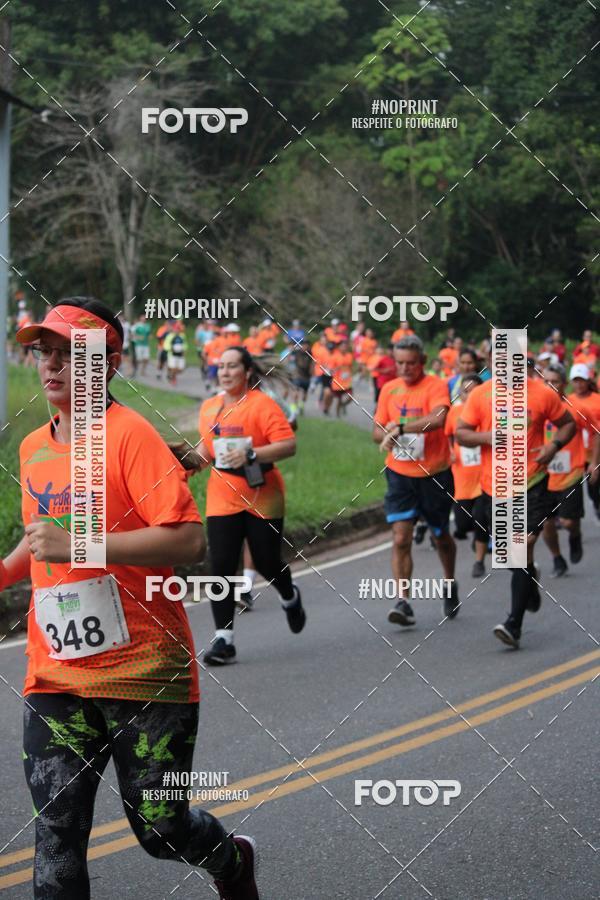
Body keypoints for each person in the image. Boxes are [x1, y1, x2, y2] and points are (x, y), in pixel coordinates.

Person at [3, 297, 259, 900]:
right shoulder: (34, 446)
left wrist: (80, 545)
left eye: (71, 354)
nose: (53, 366)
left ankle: (230, 861)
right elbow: (42, 537)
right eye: (45, 351)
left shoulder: (131, 436)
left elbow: (189, 539)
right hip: (55, 673)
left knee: (161, 830)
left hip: (144, 671)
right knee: (57, 837)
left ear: (109, 364)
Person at [196, 346, 306, 665]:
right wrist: (183, 461)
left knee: (267, 560)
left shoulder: (262, 405)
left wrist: (252, 454)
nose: (226, 372)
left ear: (247, 373)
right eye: (222, 366)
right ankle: (224, 639)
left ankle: (289, 595)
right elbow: (207, 450)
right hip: (222, 494)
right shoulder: (210, 408)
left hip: (262, 492)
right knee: (221, 565)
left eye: (233, 367)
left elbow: (288, 445)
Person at [456, 357, 576, 649]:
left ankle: (513, 624)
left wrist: (553, 445)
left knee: (521, 548)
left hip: (531, 484)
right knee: (512, 556)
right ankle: (529, 582)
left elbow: (567, 424)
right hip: (492, 487)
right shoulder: (481, 395)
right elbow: (461, 432)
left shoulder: (542, 393)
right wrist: (485, 436)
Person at [373, 335, 459, 626]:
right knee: (400, 537)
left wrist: (399, 427)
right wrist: (385, 432)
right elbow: (376, 431)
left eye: (411, 363)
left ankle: (449, 582)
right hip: (399, 473)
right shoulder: (389, 389)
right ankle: (403, 601)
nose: (405, 368)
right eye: (400, 363)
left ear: (422, 361)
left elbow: (438, 419)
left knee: (440, 536)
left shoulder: (435, 386)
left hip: (434, 474)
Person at [540, 364, 587, 576]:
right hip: (542, 475)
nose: (550, 386)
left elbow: (595, 433)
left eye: (555, 382)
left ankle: (574, 536)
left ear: (564, 385)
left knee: (568, 522)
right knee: (546, 523)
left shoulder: (575, 407)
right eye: (546, 381)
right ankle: (557, 558)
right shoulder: (534, 407)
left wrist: (593, 462)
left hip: (571, 473)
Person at [444, 374, 486, 576]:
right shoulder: (454, 412)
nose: (469, 394)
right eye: (466, 390)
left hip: (485, 479)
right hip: (462, 478)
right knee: (462, 523)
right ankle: (479, 538)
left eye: (474, 391)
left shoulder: (490, 411)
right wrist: (450, 451)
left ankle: (479, 561)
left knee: (480, 518)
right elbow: (449, 436)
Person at [568, 363, 600, 520]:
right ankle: (596, 504)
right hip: (580, 453)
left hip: (597, 449)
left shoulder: (597, 400)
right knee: (592, 485)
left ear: (588, 381)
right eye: (575, 380)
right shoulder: (568, 401)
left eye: (581, 380)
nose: (579, 384)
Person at [326, 338, 354, 417]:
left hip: (347, 381)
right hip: (337, 382)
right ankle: (338, 415)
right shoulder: (335, 356)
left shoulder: (349, 355)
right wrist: (337, 368)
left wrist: (351, 374)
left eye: (346, 346)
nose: (344, 347)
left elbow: (350, 367)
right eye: (343, 346)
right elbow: (330, 370)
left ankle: (343, 406)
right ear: (339, 347)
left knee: (350, 397)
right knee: (338, 399)